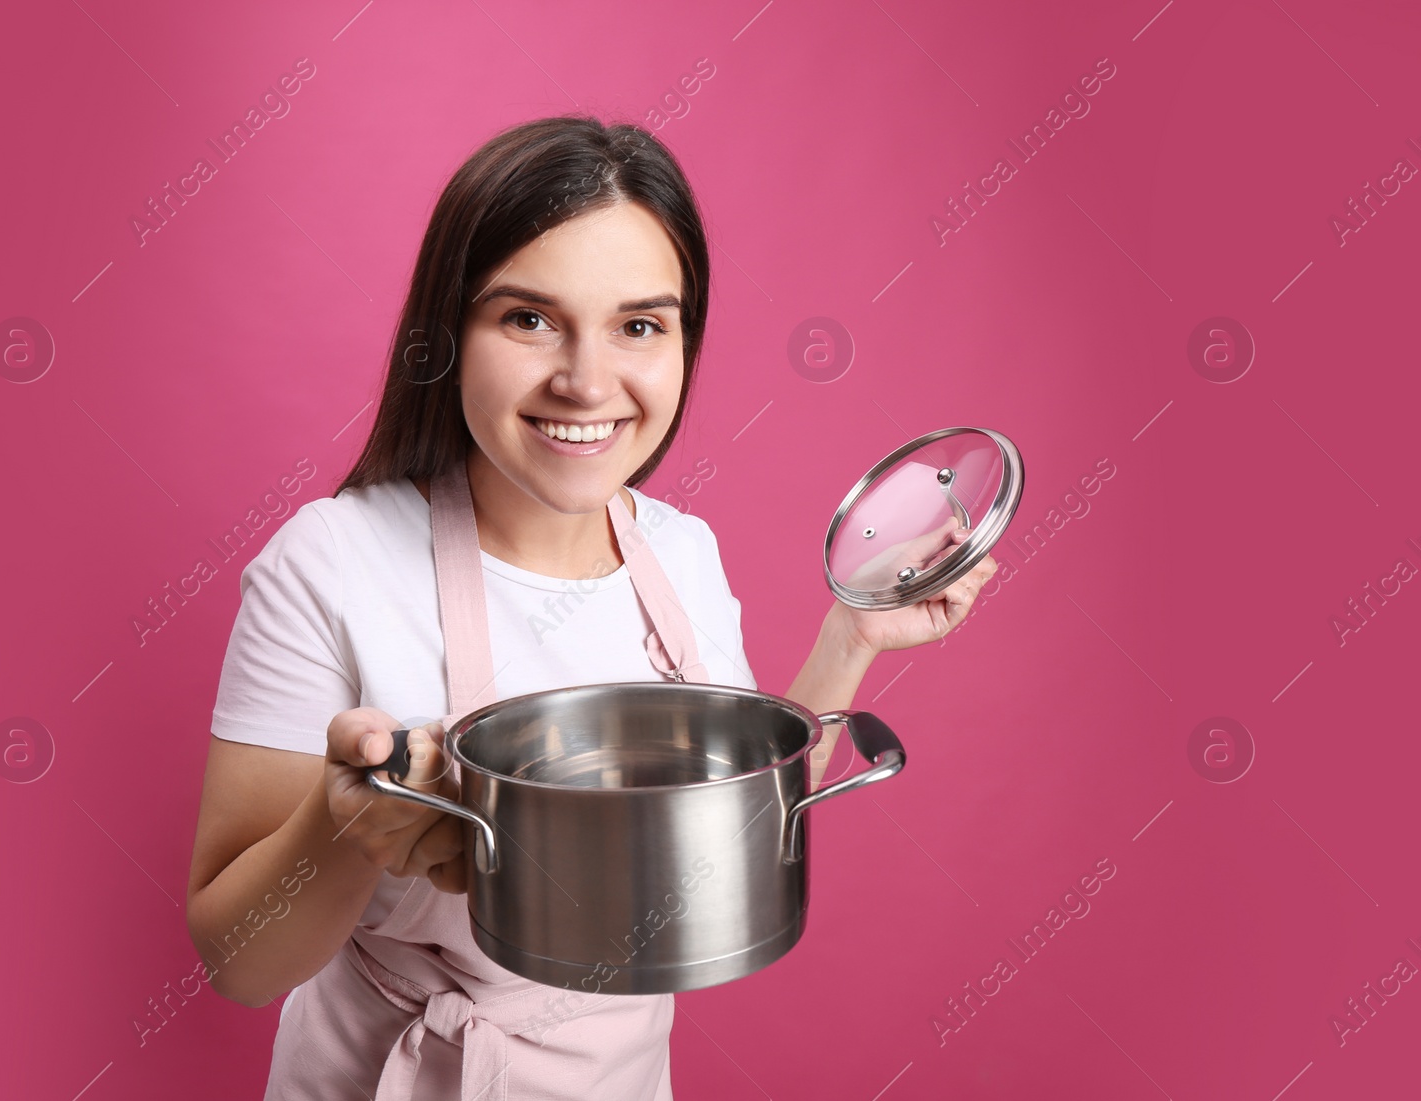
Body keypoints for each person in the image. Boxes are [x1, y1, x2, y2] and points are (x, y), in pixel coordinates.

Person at [184, 114, 997, 1100]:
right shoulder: (330, 561)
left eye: (640, 325)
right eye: (527, 319)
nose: (585, 380)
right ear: (447, 335)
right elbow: (239, 966)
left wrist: (852, 637)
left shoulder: (682, 554)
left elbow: (733, 818)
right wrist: (343, 821)